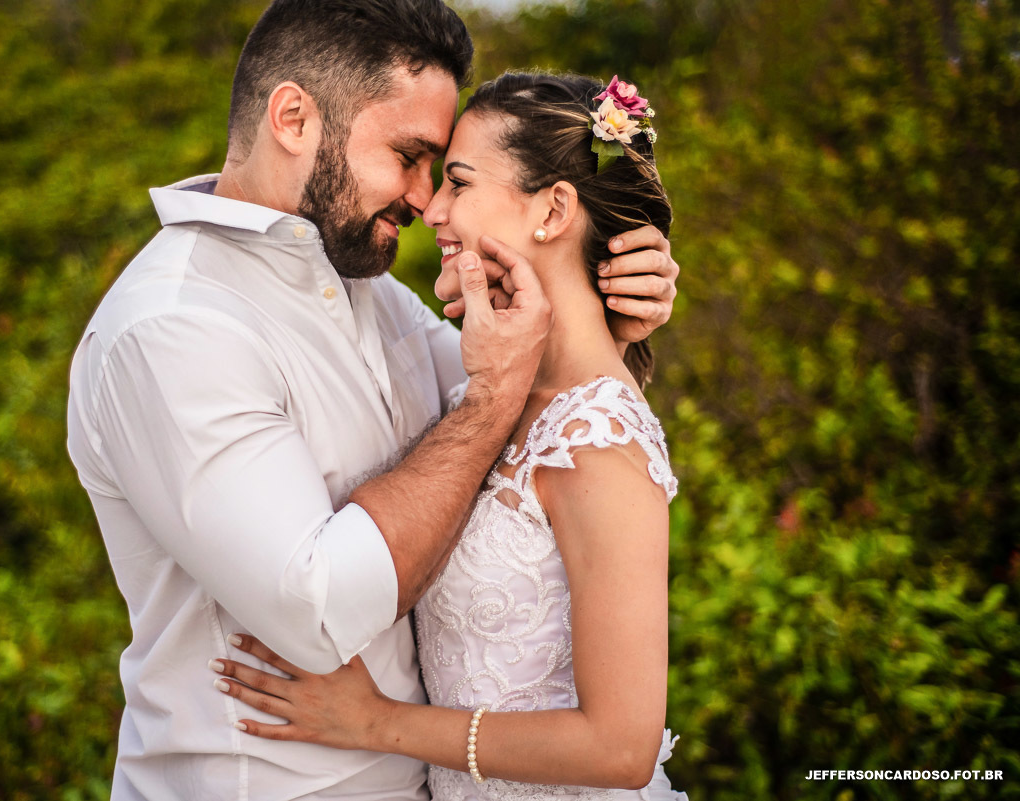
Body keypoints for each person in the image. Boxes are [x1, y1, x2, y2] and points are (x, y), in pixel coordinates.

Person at [65, 0, 681, 798]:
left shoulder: (364, 290)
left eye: (446, 171)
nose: (426, 203)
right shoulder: (172, 327)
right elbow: (317, 608)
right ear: (293, 117)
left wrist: (613, 297)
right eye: (410, 156)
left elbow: (539, 405)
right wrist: (495, 392)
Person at [204, 72, 690, 801]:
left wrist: (377, 724)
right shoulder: (481, 391)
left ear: (555, 209)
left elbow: (621, 747)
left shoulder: (598, 440)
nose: (431, 207)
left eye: (459, 182)